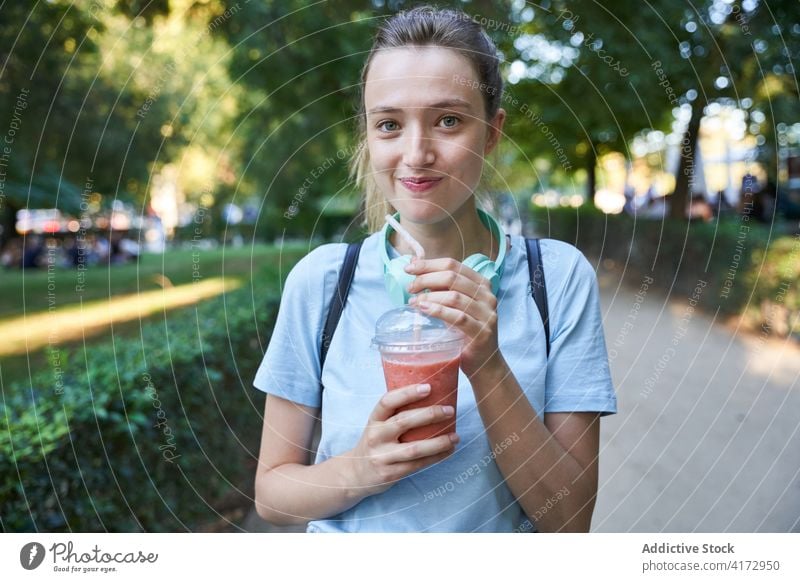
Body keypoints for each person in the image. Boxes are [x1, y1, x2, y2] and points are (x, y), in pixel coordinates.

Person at [253, 6, 616, 533]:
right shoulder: (322, 283)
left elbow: (570, 520)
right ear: (369, 136)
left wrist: (488, 364)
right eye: (389, 124)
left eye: (448, 120)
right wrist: (359, 469)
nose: (416, 153)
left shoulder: (555, 280)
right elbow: (272, 495)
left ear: (492, 133)